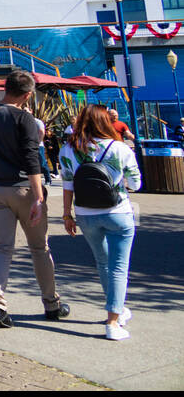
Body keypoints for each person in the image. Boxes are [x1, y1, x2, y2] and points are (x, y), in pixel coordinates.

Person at [0, 69, 69, 329]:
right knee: (39, 248)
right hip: (23, 187)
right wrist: (39, 197)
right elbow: (31, 160)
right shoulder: (24, 119)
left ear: (5, 88)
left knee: (2, 247)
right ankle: (51, 303)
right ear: (28, 95)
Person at [58, 105, 141, 341]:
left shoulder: (68, 149)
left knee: (103, 263)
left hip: (85, 214)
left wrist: (67, 215)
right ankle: (113, 322)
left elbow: (67, 185)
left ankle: (118, 309)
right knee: (118, 267)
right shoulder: (120, 148)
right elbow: (135, 183)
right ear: (106, 122)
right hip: (118, 212)